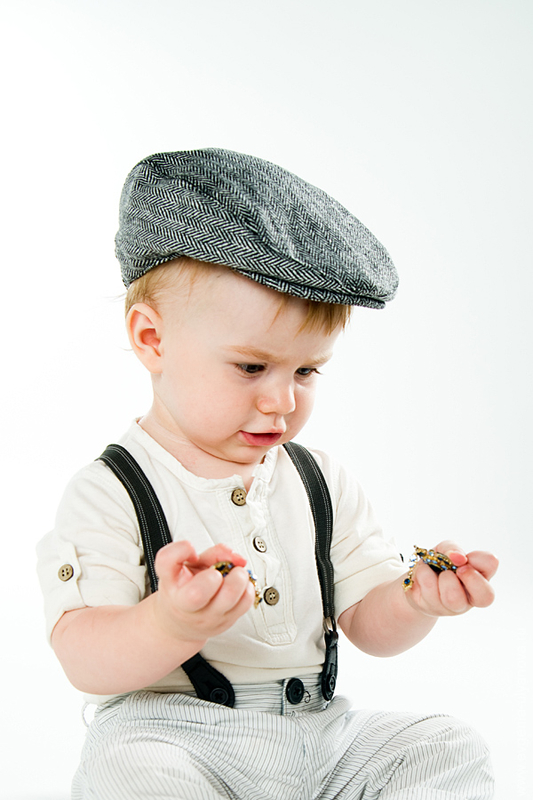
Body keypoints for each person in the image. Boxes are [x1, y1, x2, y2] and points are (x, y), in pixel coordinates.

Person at [37, 148, 498, 799]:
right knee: (131, 772)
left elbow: (367, 624)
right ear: (152, 339)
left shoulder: (319, 481)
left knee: (446, 745)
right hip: (176, 738)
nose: (281, 400)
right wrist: (170, 622)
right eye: (251, 367)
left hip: (317, 734)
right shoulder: (111, 490)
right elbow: (83, 659)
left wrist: (414, 600)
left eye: (306, 371)